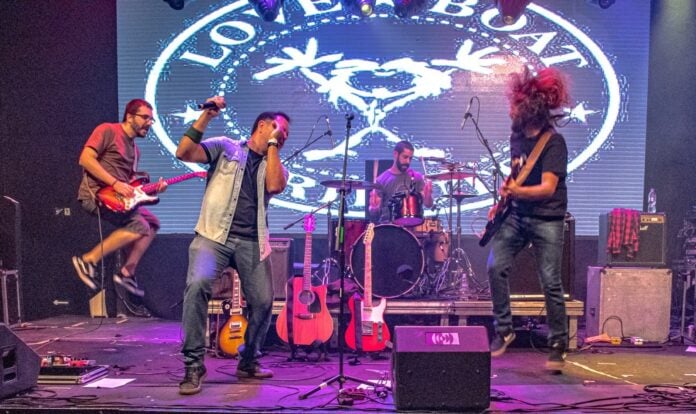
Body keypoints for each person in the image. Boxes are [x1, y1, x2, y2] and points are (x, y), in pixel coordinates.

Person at [176, 96, 289, 395]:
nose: (283, 136)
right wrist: (206, 117)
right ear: (262, 125)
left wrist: (273, 146)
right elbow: (184, 152)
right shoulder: (227, 147)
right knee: (197, 286)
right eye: (279, 129)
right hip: (214, 235)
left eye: (286, 134)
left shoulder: (276, 165)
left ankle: (248, 360)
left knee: (263, 301)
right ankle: (193, 365)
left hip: (252, 241)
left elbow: (275, 186)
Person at [486, 67, 570, 371]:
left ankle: (558, 344)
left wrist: (517, 191)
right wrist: (501, 201)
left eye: (514, 105)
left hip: (548, 219)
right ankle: (504, 329)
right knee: (495, 266)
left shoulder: (554, 143)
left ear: (529, 108)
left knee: (550, 282)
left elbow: (547, 188)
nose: (510, 110)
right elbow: (516, 173)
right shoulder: (517, 138)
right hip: (517, 215)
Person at [72, 99, 167, 297]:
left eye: (152, 119)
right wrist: (115, 183)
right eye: (145, 118)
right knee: (140, 226)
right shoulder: (108, 130)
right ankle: (87, 260)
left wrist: (152, 191)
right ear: (130, 117)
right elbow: (85, 159)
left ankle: (126, 273)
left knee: (152, 222)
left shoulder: (135, 150)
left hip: (117, 198)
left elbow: (130, 185)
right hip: (96, 195)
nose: (149, 123)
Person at [368, 140, 433, 224]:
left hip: (411, 226)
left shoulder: (417, 177)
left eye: (410, 158)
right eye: (405, 157)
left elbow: (428, 204)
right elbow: (374, 214)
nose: (408, 161)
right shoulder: (381, 180)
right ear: (395, 154)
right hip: (388, 226)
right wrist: (374, 208)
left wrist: (428, 196)